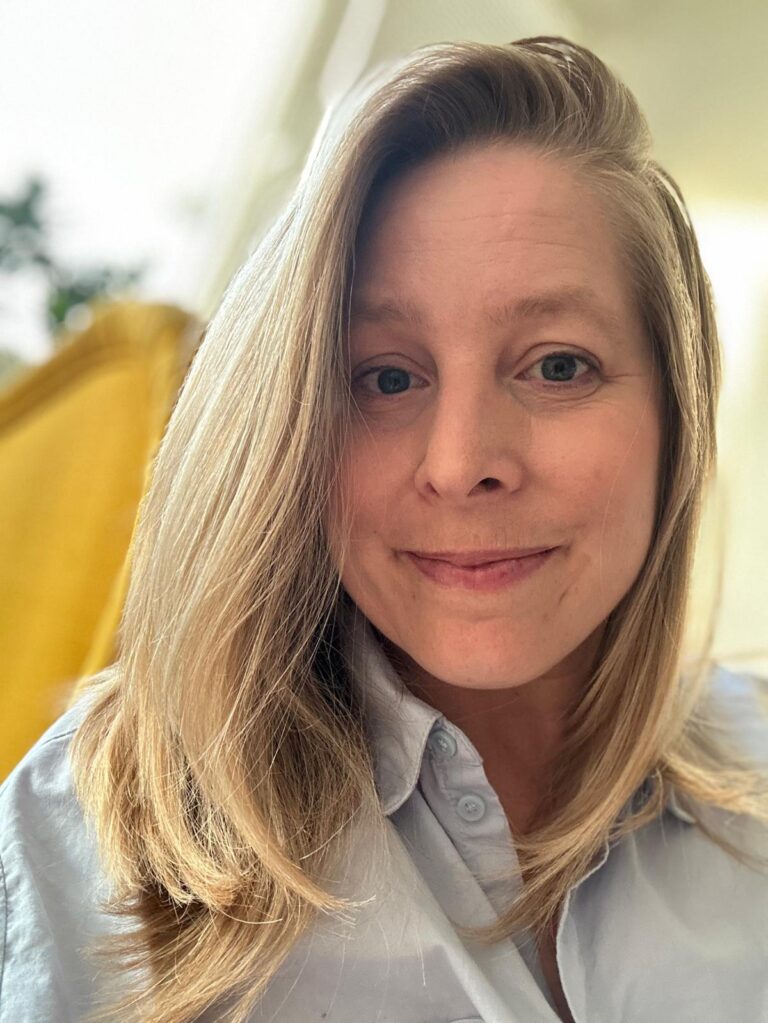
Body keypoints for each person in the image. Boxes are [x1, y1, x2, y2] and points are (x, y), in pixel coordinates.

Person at [1, 35, 766, 1023]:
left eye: (557, 365)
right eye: (388, 377)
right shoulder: (97, 834)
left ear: (677, 413)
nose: (461, 461)